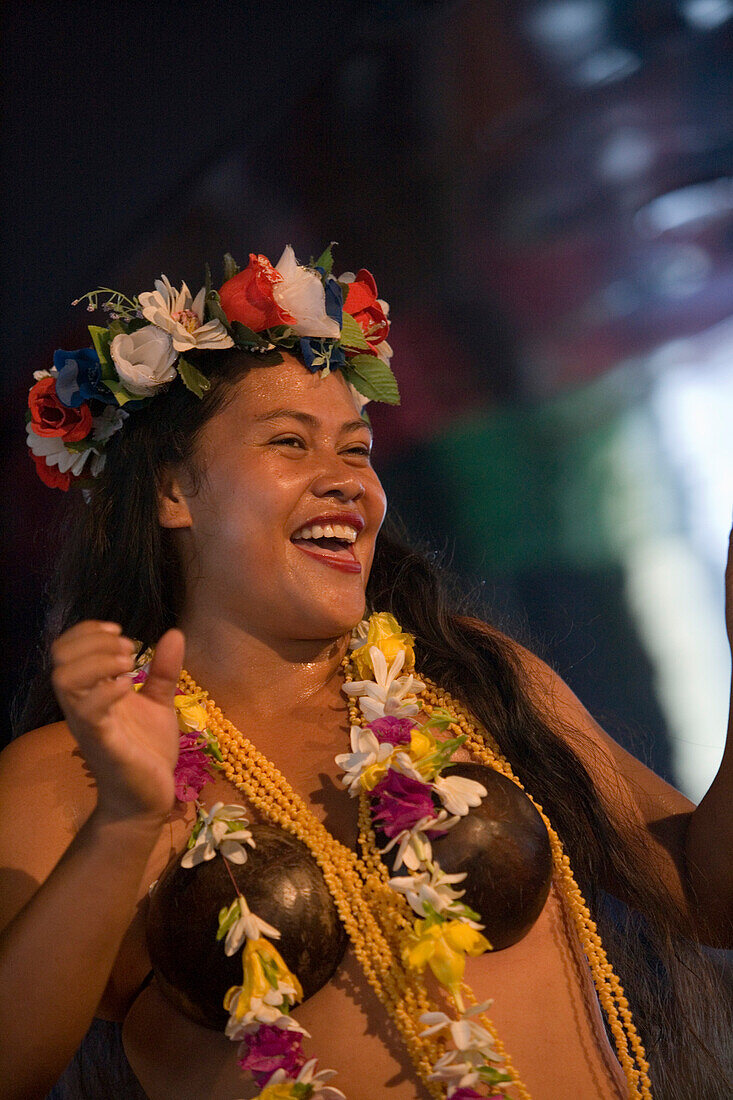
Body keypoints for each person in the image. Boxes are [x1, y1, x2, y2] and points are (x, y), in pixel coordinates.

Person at [1, 246, 731, 1100]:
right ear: (173, 490)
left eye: (357, 448)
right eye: (289, 443)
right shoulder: (74, 774)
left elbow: (705, 897)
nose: (347, 481)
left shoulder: (472, 679)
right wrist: (127, 822)